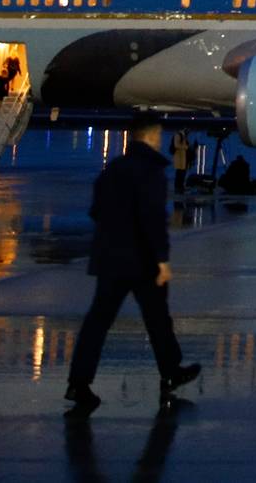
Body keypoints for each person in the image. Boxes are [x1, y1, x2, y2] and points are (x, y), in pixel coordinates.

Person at [64, 120, 202, 415]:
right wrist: (162, 260)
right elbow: (153, 218)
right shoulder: (151, 172)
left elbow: (96, 210)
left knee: (97, 324)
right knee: (157, 320)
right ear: (150, 137)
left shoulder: (113, 169)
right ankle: (170, 371)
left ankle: (78, 383)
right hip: (141, 260)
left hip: (109, 258)